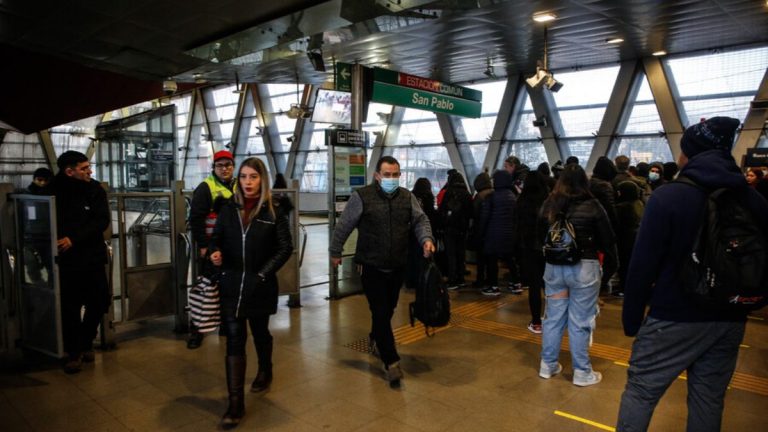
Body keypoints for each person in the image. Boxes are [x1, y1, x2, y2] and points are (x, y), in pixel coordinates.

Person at [617, 117, 768, 431]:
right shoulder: (753, 199)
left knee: (642, 390)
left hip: (674, 314)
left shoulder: (669, 197)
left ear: (691, 154)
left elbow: (642, 266)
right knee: (708, 398)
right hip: (730, 316)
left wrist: (632, 319)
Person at [329, 156, 435, 386]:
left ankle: (376, 337)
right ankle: (391, 361)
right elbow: (344, 224)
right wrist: (335, 251)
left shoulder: (407, 197)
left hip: (397, 265)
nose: (392, 178)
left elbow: (420, 221)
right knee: (379, 310)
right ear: (377, 176)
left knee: (388, 310)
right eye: (387, 174)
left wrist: (426, 239)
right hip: (370, 265)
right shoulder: (362, 196)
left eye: (395, 174)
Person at [208, 157, 293, 429]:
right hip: (232, 284)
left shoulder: (274, 211)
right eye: (243, 177)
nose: (247, 182)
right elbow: (215, 240)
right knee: (234, 338)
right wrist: (215, 253)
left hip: (259, 285)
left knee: (260, 332)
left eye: (253, 177)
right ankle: (235, 404)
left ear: (262, 179)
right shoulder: (227, 209)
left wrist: (262, 274)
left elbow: (284, 248)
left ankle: (265, 370)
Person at [538, 163, 617, 386]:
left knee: (553, 318)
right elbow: (608, 240)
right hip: (584, 268)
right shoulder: (593, 205)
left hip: (554, 268)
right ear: (585, 182)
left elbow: (539, 235)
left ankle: (548, 365)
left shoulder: (549, 205)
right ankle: (582, 372)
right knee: (579, 321)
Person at [49, 151, 110, 374]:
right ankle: (74, 352)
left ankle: (86, 339)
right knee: (71, 306)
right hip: (67, 261)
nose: (89, 171)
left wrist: (74, 238)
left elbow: (101, 220)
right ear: (69, 171)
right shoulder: (54, 190)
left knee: (100, 300)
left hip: (92, 256)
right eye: (84, 168)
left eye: (89, 167)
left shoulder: (95, 190)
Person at [187, 149, 236, 349]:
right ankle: (196, 331)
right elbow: (196, 219)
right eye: (220, 165)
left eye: (228, 165)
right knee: (206, 288)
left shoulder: (237, 185)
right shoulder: (206, 187)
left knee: (228, 288)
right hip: (212, 247)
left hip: (231, 248)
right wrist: (204, 245)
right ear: (214, 167)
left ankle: (225, 325)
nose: (224, 169)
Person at [514, 171, 549, 333]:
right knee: (551, 286)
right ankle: (553, 319)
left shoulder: (521, 201)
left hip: (528, 248)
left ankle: (536, 322)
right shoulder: (549, 201)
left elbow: (516, 227)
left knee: (534, 286)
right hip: (549, 249)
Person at [479, 170, 523, 296]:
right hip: (509, 234)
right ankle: (516, 284)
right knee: (510, 259)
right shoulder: (512, 196)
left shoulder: (491, 197)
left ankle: (493, 286)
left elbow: (485, 218)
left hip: (493, 234)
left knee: (492, 260)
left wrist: (480, 234)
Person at [438, 171, 472, 289]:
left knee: (451, 254)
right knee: (461, 254)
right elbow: (470, 212)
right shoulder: (467, 194)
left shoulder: (449, 192)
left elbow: (442, 210)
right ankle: (461, 278)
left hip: (450, 228)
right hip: (463, 229)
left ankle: (452, 280)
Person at [407, 178, 441, 290]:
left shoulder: (411, 196)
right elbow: (430, 215)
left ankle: (410, 281)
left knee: (412, 257)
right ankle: (423, 281)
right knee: (424, 258)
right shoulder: (429, 197)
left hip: (412, 233)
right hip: (426, 232)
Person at [468, 172, 493, 289]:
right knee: (491, 259)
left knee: (481, 258)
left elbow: (474, 213)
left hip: (481, 230)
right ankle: (490, 279)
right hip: (492, 231)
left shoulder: (479, 196)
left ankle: (480, 280)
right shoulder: (494, 193)